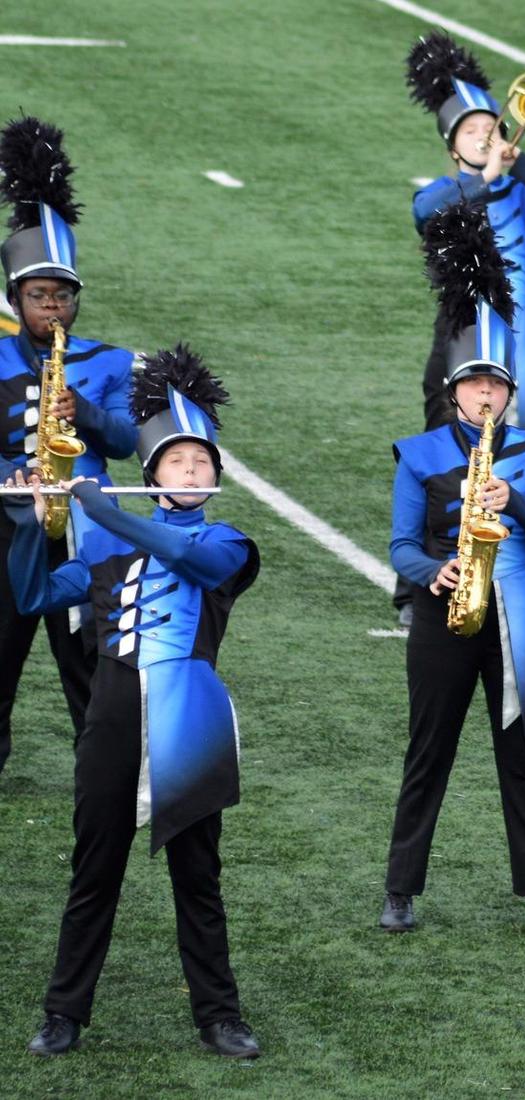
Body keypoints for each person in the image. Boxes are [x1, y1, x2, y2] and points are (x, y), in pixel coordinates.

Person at [13, 347, 261, 1058]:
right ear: (152, 475)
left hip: (191, 711)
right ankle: (64, 1012)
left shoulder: (227, 540)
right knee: (94, 868)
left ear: (215, 477)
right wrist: (41, 524)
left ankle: (219, 1014)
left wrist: (101, 511)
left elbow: (185, 559)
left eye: (202, 463)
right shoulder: (102, 552)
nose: (191, 472)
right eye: (178, 463)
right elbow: (35, 594)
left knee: (198, 875)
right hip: (114, 711)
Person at [381, 201, 525, 936]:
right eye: (474, 384)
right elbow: (401, 544)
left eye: (497, 384)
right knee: (427, 752)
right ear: (453, 392)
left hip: (518, 614)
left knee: (524, 758)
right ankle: (401, 888)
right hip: (445, 612)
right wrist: (430, 572)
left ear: (510, 393)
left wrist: (517, 499)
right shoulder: (419, 453)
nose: (486, 394)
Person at [402, 31, 525, 630]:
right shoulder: (443, 193)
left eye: (490, 124)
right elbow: (424, 214)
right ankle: (418, 590)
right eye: (470, 130)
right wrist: (482, 176)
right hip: (463, 330)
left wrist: (521, 158)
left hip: (524, 336)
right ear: (451, 145)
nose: (484, 133)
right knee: (445, 457)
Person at [0, 116, 137, 775]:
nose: (51, 307)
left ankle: (105, 776)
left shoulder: (108, 361)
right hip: (9, 528)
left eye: (62, 296)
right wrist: (14, 472)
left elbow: (127, 439)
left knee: (87, 665)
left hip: (85, 533)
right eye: (38, 296)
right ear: (16, 297)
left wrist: (78, 409)